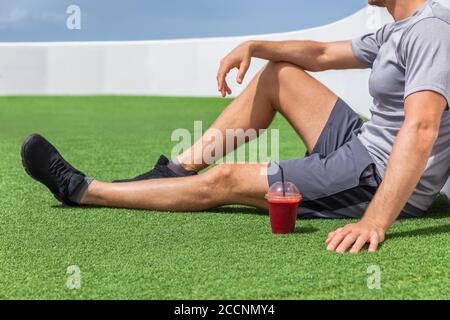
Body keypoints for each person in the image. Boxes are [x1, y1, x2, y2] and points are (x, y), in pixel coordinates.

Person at [21, 0, 450, 253]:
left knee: (226, 179)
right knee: (279, 74)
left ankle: (83, 190)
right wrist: (254, 45)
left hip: (378, 175)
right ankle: (174, 172)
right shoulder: (399, 28)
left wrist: (374, 221)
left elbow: (421, 130)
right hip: (363, 142)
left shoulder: (430, 32)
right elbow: (318, 52)